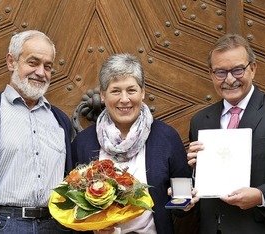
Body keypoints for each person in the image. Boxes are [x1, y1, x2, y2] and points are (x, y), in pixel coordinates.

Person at [0, 30, 73, 234]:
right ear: (11, 62)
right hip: (3, 225)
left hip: (55, 226)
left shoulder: (60, 120)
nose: (41, 72)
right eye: (33, 63)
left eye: (48, 66)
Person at [186, 34, 265, 233]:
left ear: (253, 68)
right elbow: (199, 184)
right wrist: (194, 171)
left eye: (237, 70)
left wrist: (260, 195)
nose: (229, 79)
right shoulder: (200, 120)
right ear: (211, 74)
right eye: (220, 72)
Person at [71, 54, 192, 234]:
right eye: (116, 91)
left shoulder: (166, 138)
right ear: (103, 95)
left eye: (131, 90)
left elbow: (183, 201)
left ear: (142, 92)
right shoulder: (83, 143)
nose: (125, 99)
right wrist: (93, 226)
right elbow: (72, 205)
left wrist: (185, 204)